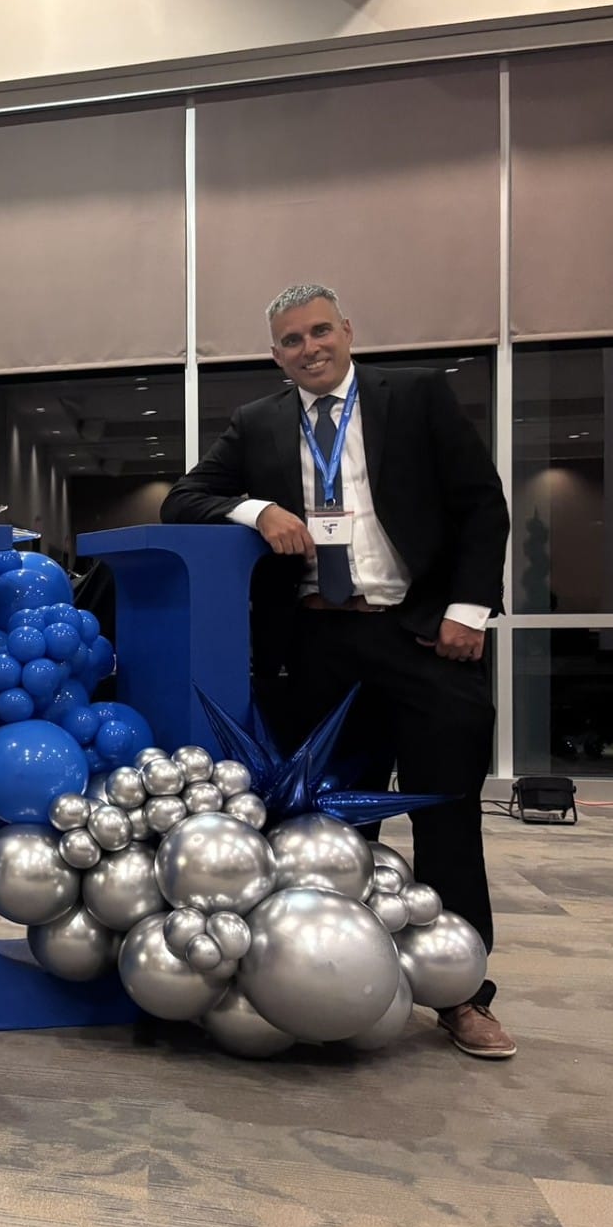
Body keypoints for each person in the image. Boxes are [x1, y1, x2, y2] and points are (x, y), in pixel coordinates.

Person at [161, 283, 513, 1059]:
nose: (310, 348)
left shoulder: (415, 398)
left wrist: (468, 609)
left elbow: (482, 507)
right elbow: (184, 498)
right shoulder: (257, 424)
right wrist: (256, 511)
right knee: (324, 824)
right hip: (320, 651)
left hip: (423, 639)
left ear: (348, 331)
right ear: (276, 355)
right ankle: (324, 981)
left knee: (447, 818)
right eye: (292, 340)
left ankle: (463, 995)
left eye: (321, 331)